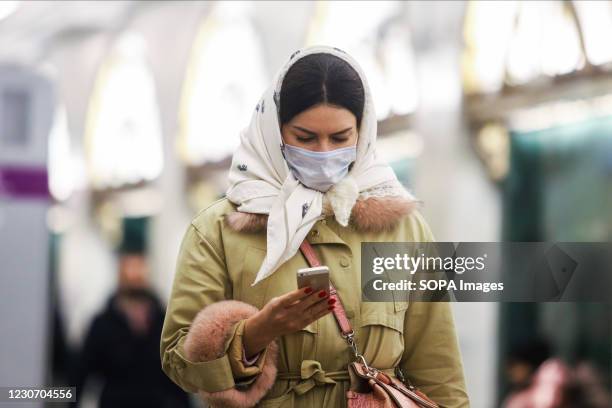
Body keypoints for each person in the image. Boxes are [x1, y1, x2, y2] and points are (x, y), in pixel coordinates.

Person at [160, 45, 469, 408]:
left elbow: (438, 368)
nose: (324, 153)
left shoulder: (402, 228)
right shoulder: (219, 230)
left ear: (363, 132)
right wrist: (257, 333)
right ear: (274, 132)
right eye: (305, 138)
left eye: (340, 139)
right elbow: (178, 361)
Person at [72, 253, 192, 408]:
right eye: (129, 269)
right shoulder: (103, 323)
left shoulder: (164, 321)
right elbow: (81, 372)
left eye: (139, 268)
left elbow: (177, 374)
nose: (135, 274)